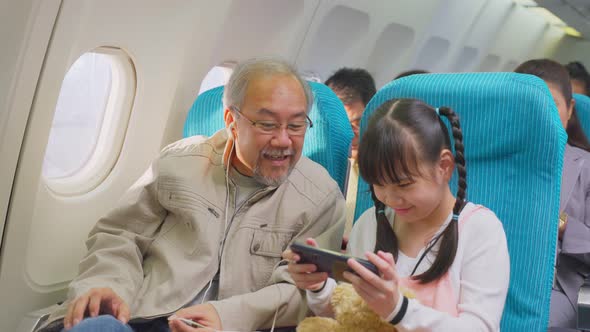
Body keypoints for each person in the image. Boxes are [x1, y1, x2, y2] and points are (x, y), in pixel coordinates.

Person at [39, 57, 345, 332]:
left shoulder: (320, 197)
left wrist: (227, 316)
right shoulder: (180, 162)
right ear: (231, 122)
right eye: (267, 124)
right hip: (141, 316)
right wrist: (108, 285)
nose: (283, 140)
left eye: (296, 125)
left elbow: (303, 288)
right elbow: (120, 236)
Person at [285, 98, 510, 330]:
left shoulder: (480, 230)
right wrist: (319, 287)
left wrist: (398, 310)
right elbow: (352, 315)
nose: (391, 199)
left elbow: (480, 327)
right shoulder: (370, 222)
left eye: (403, 185)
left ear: (444, 166)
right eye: (378, 185)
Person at [515, 59, 590, 330]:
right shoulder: (488, 164)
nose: (540, 116)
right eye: (529, 106)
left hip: (555, 285)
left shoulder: (586, 167)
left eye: (552, 105)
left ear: (569, 110)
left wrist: (562, 224)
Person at [324, 68, 376, 236]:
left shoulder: (383, 172)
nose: (349, 134)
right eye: (341, 125)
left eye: (358, 123)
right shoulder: (316, 166)